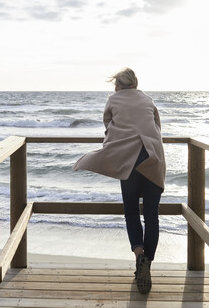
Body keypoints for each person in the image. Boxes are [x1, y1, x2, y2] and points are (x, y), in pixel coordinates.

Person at [73, 67, 166, 294]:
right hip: (153, 158)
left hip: (130, 159)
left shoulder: (113, 100)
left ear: (118, 85)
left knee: (132, 212)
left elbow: (108, 125)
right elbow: (157, 127)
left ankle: (139, 255)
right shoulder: (147, 99)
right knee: (151, 214)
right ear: (135, 83)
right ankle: (147, 263)